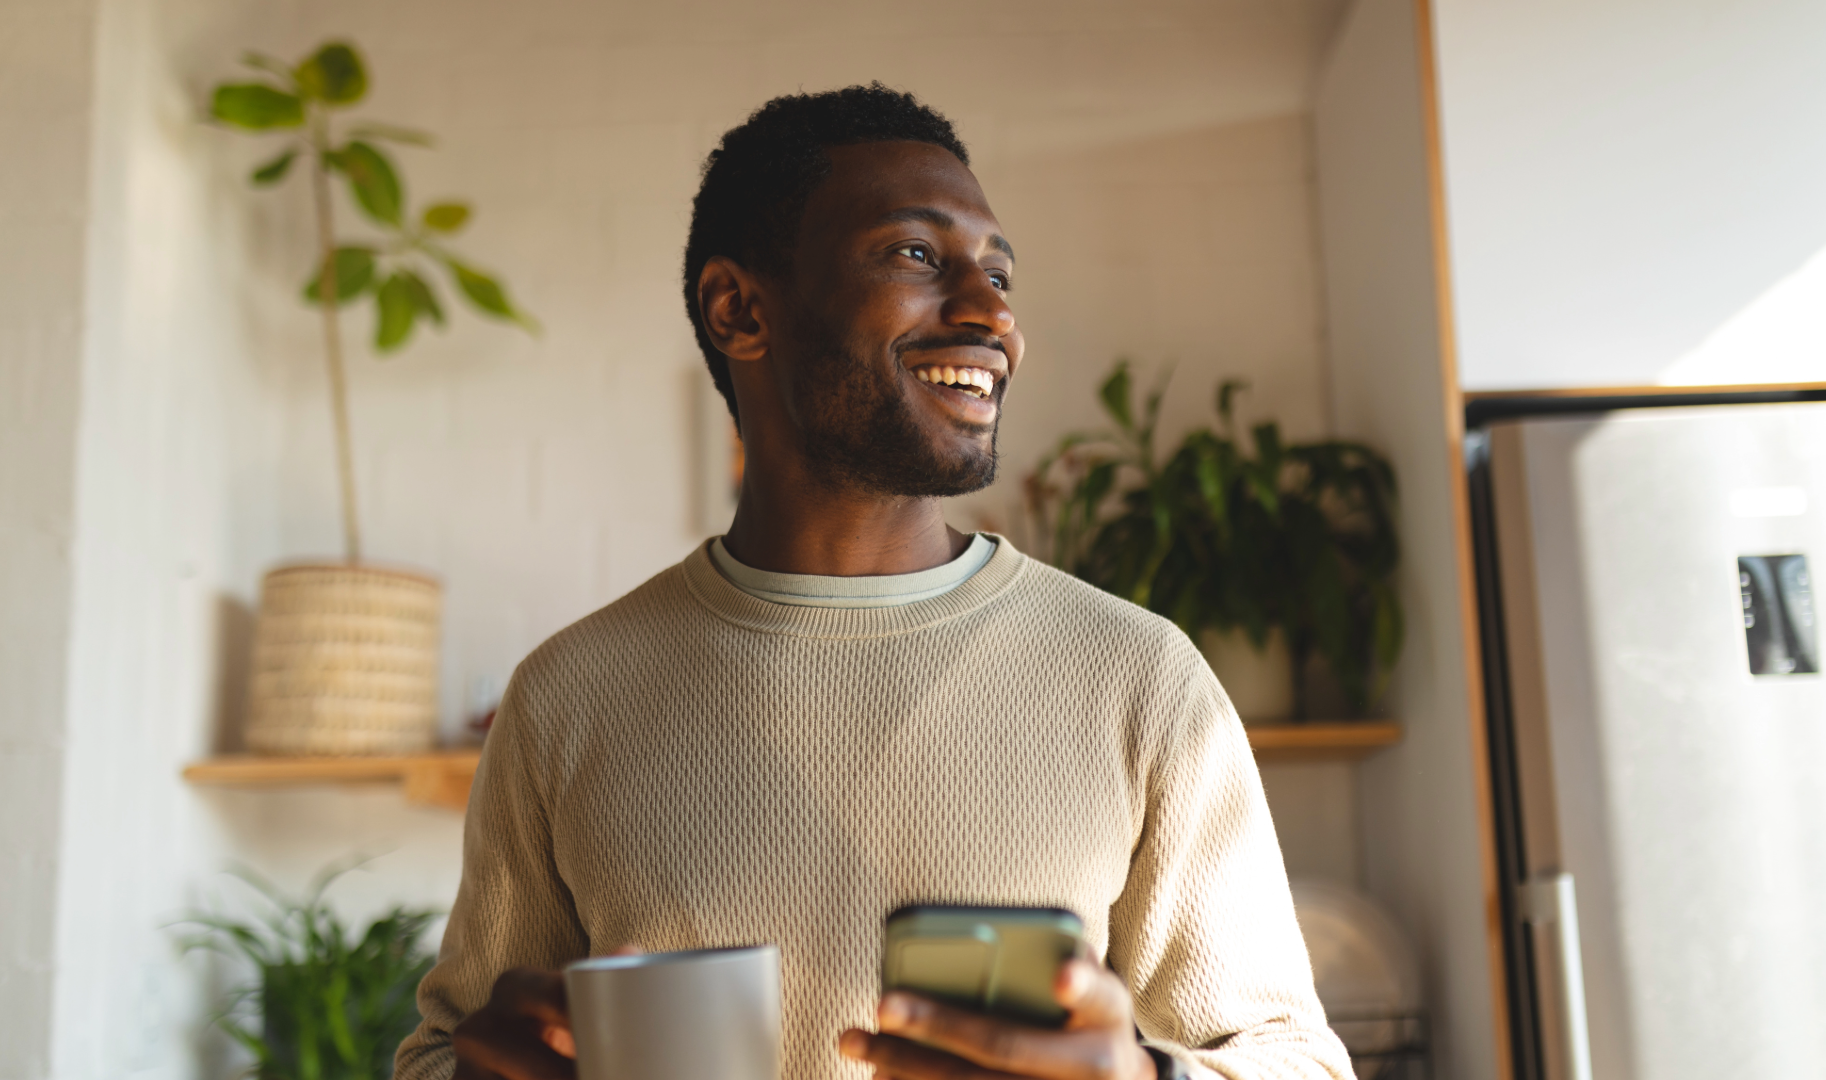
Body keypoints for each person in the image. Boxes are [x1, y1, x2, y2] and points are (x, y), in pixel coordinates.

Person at [395, 84, 1352, 1080]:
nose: (991, 315)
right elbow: (441, 1052)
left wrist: (1145, 1078)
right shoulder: (567, 697)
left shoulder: (1141, 679)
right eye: (915, 256)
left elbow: (1301, 1063)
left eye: (998, 274)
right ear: (740, 309)